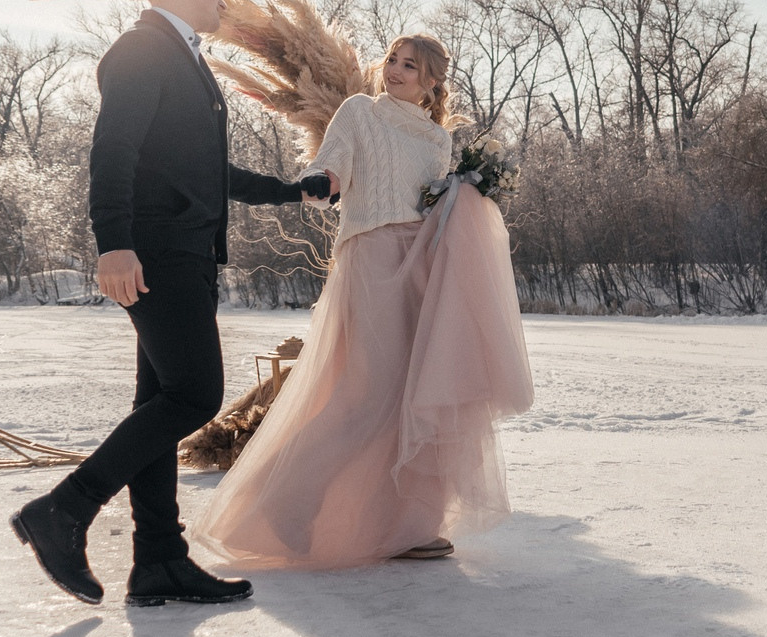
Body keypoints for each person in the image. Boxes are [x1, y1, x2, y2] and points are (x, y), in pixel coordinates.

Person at [11, 0, 328, 606]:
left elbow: (206, 170)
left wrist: (291, 191)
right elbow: (113, 150)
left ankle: (159, 559)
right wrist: (114, 243)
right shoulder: (142, 49)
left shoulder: (181, 56)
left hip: (184, 252)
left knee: (158, 403)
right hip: (157, 254)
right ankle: (64, 509)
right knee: (194, 395)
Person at [191, 33, 531, 569]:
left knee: (413, 396)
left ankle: (407, 525)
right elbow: (335, 166)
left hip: (419, 265)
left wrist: (469, 197)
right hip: (370, 261)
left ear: (431, 81)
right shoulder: (359, 112)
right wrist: (322, 180)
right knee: (364, 395)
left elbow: (433, 208)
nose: (394, 70)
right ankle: (284, 504)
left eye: (409, 66)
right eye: (392, 59)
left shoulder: (437, 140)